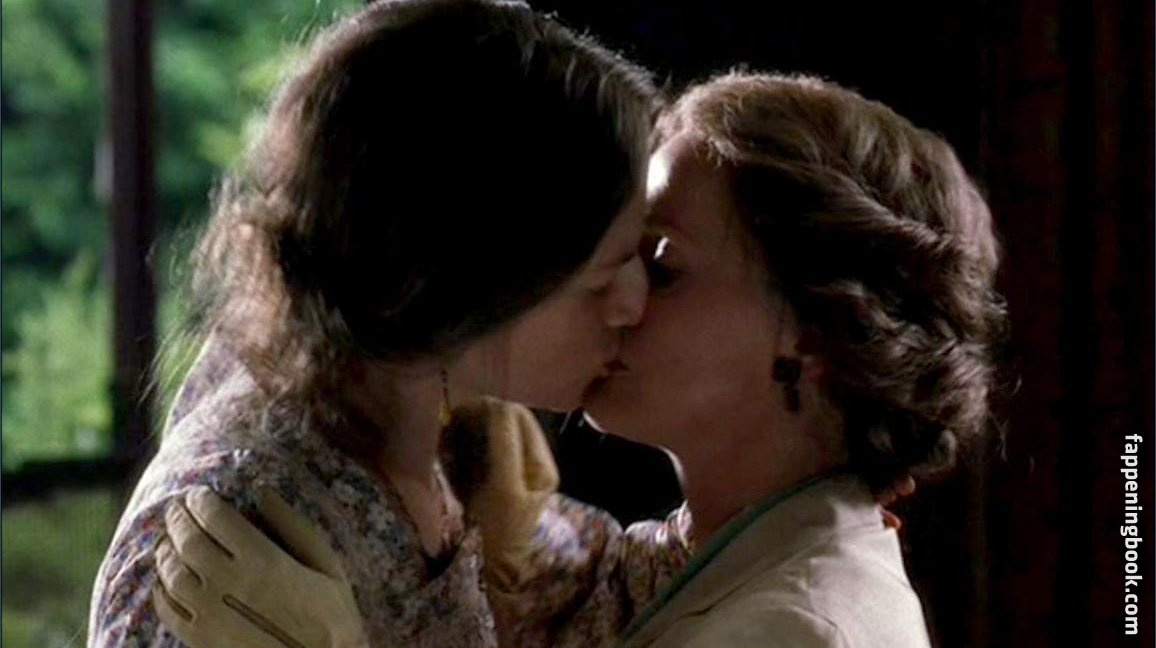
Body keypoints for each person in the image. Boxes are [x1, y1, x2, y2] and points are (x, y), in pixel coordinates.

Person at [149, 70, 1003, 648]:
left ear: (812, 333)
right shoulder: (719, 555)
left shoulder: (799, 631)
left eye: (660, 263)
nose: (617, 296)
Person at [86, 1, 665, 646]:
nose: (633, 303)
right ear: (468, 274)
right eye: (603, 278)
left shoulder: (438, 436)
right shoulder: (240, 527)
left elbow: (608, 588)